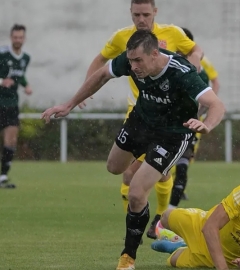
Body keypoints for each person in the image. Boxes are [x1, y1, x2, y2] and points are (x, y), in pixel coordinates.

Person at [41, 30, 225, 270]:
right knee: (114, 167)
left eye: (138, 60)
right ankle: (159, 167)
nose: (134, 66)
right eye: (131, 61)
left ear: (155, 54)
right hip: (141, 122)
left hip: (173, 134)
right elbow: (101, 76)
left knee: (137, 192)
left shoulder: (181, 72)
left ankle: (128, 256)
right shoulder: (130, 61)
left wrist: (207, 124)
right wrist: (69, 105)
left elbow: (217, 105)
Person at [80, 0, 204, 238]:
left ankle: (155, 220)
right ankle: (147, 222)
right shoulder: (122, 38)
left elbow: (196, 50)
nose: (141, 20)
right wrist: (88, 88)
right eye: (136, 14)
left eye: (146, 14)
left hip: (167, 119)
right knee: (130, 173)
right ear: (130, 13)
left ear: (155, 12)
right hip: (138, 114)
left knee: (150, 175)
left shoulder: (173, 33)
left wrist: (195, 61)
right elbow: (101, 61)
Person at [169, 27, 220, 208]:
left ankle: (168, 211)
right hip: (161, 125)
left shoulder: (201, 70)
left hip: (186, 125)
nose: (179, 52)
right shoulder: (163, 64)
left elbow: (210, 92)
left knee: (182, 165)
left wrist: (198, 116)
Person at [0, 24, 32, 189]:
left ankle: (3, 176)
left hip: (12, 104)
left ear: (24, 38)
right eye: (15, 37)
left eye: (20, 37)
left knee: (11, 140)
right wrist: (1, 81)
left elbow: (20, 76)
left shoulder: (26, 58)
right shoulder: (2, 54)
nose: (18, 40)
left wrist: (26, 85)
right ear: (11, 37)